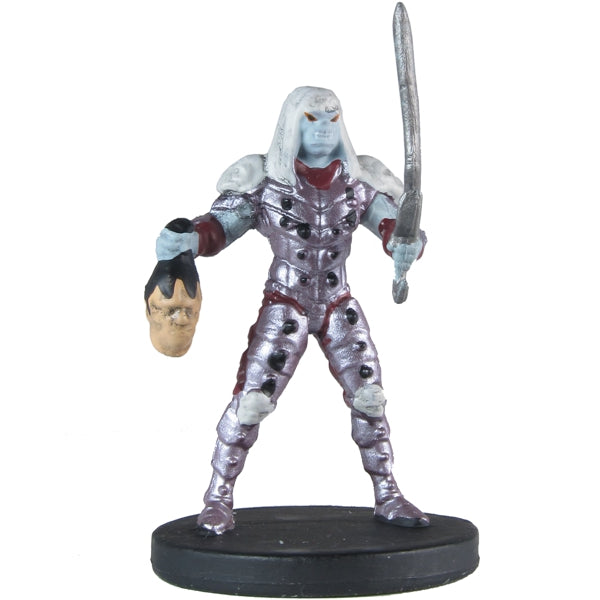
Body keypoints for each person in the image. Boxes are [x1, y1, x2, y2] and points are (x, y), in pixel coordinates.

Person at [153, 86, 428, 535]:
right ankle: (218, 496)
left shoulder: (358, 183)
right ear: (291, 125)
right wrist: (188, 239)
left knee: (370, 397)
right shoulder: (265, 182)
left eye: (332, 119)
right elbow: (220, 227)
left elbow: (393, 225)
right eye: (311, 120)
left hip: (339, 302)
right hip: (286, 303)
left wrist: (405, 243)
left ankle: (388, 494)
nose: (323, 130)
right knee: (252, 402)